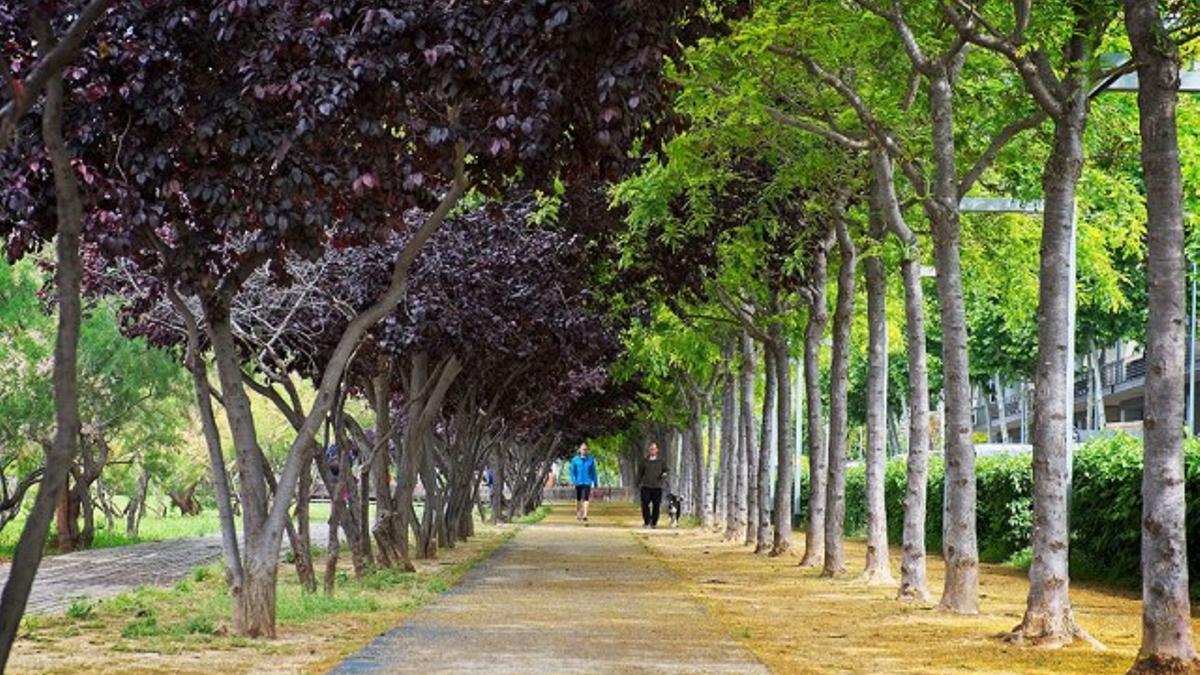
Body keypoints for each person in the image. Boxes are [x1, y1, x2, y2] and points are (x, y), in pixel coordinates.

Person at [637, 442, 668, 528]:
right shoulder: (644, 461)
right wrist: (638, 483)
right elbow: (640, 473)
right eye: (651, 449)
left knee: (656, 505)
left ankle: (654, 522)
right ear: (649, 450)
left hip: (657, 486)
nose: (653, 450)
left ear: (657, 450)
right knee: (645, 503)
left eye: (654, 449)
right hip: (646, 486)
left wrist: (664, 474)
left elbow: (666, 470)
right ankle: (647, 521)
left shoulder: (661, 461)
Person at [568, 443, 598, 522]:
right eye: (583, 449)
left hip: (587, 482)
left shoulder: (590, 459)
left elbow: (593, 471)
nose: (584, 451)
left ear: (588, 450)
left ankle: (585, 515)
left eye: (586, 449)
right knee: (578, 499)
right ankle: (578, 513)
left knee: (586, 499)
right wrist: (573, 480)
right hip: (578, 482)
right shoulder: (575, 459)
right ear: (580, 450)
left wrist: (595, 481)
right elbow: (572, 471)